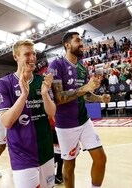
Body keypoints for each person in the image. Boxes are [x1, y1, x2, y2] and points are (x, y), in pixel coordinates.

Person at [48, 32, 110, 188]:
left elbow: (86, 95)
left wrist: (100, 98)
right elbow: (59, 98)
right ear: (67, 45)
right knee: (69, 166)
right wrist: (85, 88)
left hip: (84, 121)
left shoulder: (82, 67)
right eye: (77, 41)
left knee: (101, 159)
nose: (81, 44)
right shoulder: (56, 65)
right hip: (65, 125)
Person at [0, 39, 56, 188]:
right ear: (16, 57)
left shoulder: (42, 81)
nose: (32, 58)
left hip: (46, 151)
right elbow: (7, 122)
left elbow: (52, 112)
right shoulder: (4, 83)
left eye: (34, 53)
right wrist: (23, 95)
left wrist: (45, 94)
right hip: (22, 156)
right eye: (27, 54)